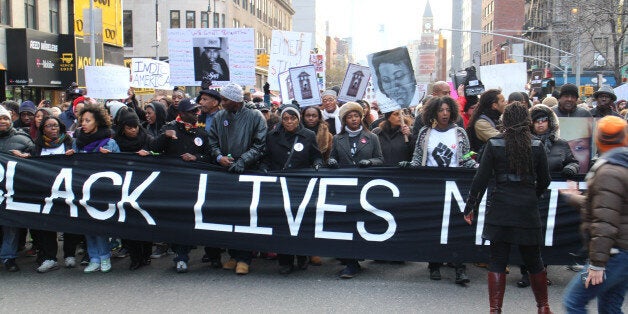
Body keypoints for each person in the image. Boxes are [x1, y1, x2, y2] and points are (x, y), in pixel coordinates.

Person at [463, 102, 552, 313]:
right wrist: (533, 194)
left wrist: (470, 206)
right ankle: (544, 307)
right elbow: (545, 180)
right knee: (534, 260)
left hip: (501, 207)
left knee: (497, 260)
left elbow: (481, 179)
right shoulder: (537, 145)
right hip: (527, 209)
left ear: (505, 121)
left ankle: (495, 310)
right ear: (527, 121)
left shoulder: (494, 144)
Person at [401, 96, 476, 285]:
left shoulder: (459, 133)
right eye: (441, 110)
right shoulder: (426, 133)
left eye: (447, 110)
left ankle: (460, 267)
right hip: (432, 186)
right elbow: (418, 157)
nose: (444, 114)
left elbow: (466, 157)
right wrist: (409, 166)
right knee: (433, 226)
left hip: (456, 187)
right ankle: (434, 264)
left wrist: (477, 167)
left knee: (456, 227)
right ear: (434, 112)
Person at [561, 116, 627, 314]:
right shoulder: (621, 165)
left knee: (574, 301)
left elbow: (605, 220)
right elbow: (609, 207)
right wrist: (575, 199)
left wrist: (597, 265)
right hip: (620, 254)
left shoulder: (608, 171)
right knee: (610, 307)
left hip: (610, 255)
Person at [515, 104, 580, 287]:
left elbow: (573, 162)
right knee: (525, 235)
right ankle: (525, 273)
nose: (541, 124)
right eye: (537, 121)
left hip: (550, 200)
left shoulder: (561, 144)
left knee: (546, 235)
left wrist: (570, 168)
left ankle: (541, 271)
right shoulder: (522, 143)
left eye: (544, 120)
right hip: (528, 196)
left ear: (550, 123)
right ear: (531, 123)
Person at [208, 83, 267, 275]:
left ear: (236, 100)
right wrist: (219, 157)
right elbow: (212, 141)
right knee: (228, 214)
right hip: (226, 173)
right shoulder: (219, 117)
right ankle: (233, 254)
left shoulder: (255, 117)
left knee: (245, 216)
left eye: (225, 100)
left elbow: (260, 144)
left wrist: (243, 161)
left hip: (248, 172)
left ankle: (244, 257)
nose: (222, 103)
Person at [149, 98, 211, 273]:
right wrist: (164, 137)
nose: (196, 114)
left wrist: (196, 158)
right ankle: (181, 255)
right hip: (174, 184)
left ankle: (205, 252)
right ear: (182, 113)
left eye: (197, 110)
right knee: (178, 219)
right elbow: (153, 147)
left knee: (196, 219)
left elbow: (209, 156)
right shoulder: (169, 128)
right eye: (192, 111)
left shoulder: (201, 133)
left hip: (196, 184)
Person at [260, 106, 323, 274]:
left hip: (300, 185)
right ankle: (285, 261)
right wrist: (264, 167)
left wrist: (317, 164)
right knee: (282, 223)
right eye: (286, 118)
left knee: (300, 222)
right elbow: (266, 157)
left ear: (298, 119)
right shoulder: (272, 136)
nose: (289, 122)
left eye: (293, 118)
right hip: (279, 185)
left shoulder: (308, 135)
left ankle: (302, 255)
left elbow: (316, 156)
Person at [327, 101, 384, 279]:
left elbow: (380, 159)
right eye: (350, 117)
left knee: (361, 222)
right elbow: (332, 157)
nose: (354, 119)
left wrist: (370, 162)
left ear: (361, 117)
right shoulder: (337, 138)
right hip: (345, 188)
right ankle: (350, 262)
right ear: (344, 120)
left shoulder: (371, 137)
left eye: (356, 116)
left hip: (365, 187)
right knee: (347, 223)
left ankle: (357, 257)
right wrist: (332, 162)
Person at [73, 103, 121, 273]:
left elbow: (120, 167)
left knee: (99, 224)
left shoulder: (110, 142)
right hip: (83, 189)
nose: (84, 124)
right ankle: (93, 257)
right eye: (82, 120)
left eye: (88, 120)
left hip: (102, 190)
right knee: (87, 224)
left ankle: (104, 256)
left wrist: (111, 157)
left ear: (98, 122)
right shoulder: (77, 142)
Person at [29, 116, 78, 272]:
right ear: (43, 129)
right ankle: (50, 257)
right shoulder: (37, 146)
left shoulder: (69, 143)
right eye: (49, 126)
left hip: (66, 190)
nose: (53, 128)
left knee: (69, 222)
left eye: (56, 125)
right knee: (47, 224)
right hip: (45, 191)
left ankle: (69, 255)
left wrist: (74, 157)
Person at [114, 109, 154, 270]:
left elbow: (158, 155)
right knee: (128, 223)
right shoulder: (116, 142)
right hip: (124, 188)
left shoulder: (148, 139)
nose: (133, 130)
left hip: (144, 187)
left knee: (145, 221)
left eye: (135, 126)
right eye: (129, 127)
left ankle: (146, 254)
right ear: (122, 128)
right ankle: (135, 257)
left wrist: (150, 153)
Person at [0, 106, 35, 272]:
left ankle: (8, 257)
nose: (2, 121)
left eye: (5, 118)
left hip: (12, 192)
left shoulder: (23, 139)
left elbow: (36, 163)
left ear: (10, 119)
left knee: (11, 227)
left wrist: (26, 157)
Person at [466, 89, 506, 154]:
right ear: (495, 105)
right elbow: (500, 140)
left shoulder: (496, 118)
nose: (506, 103)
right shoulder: (481, 123)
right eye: (503, 101)